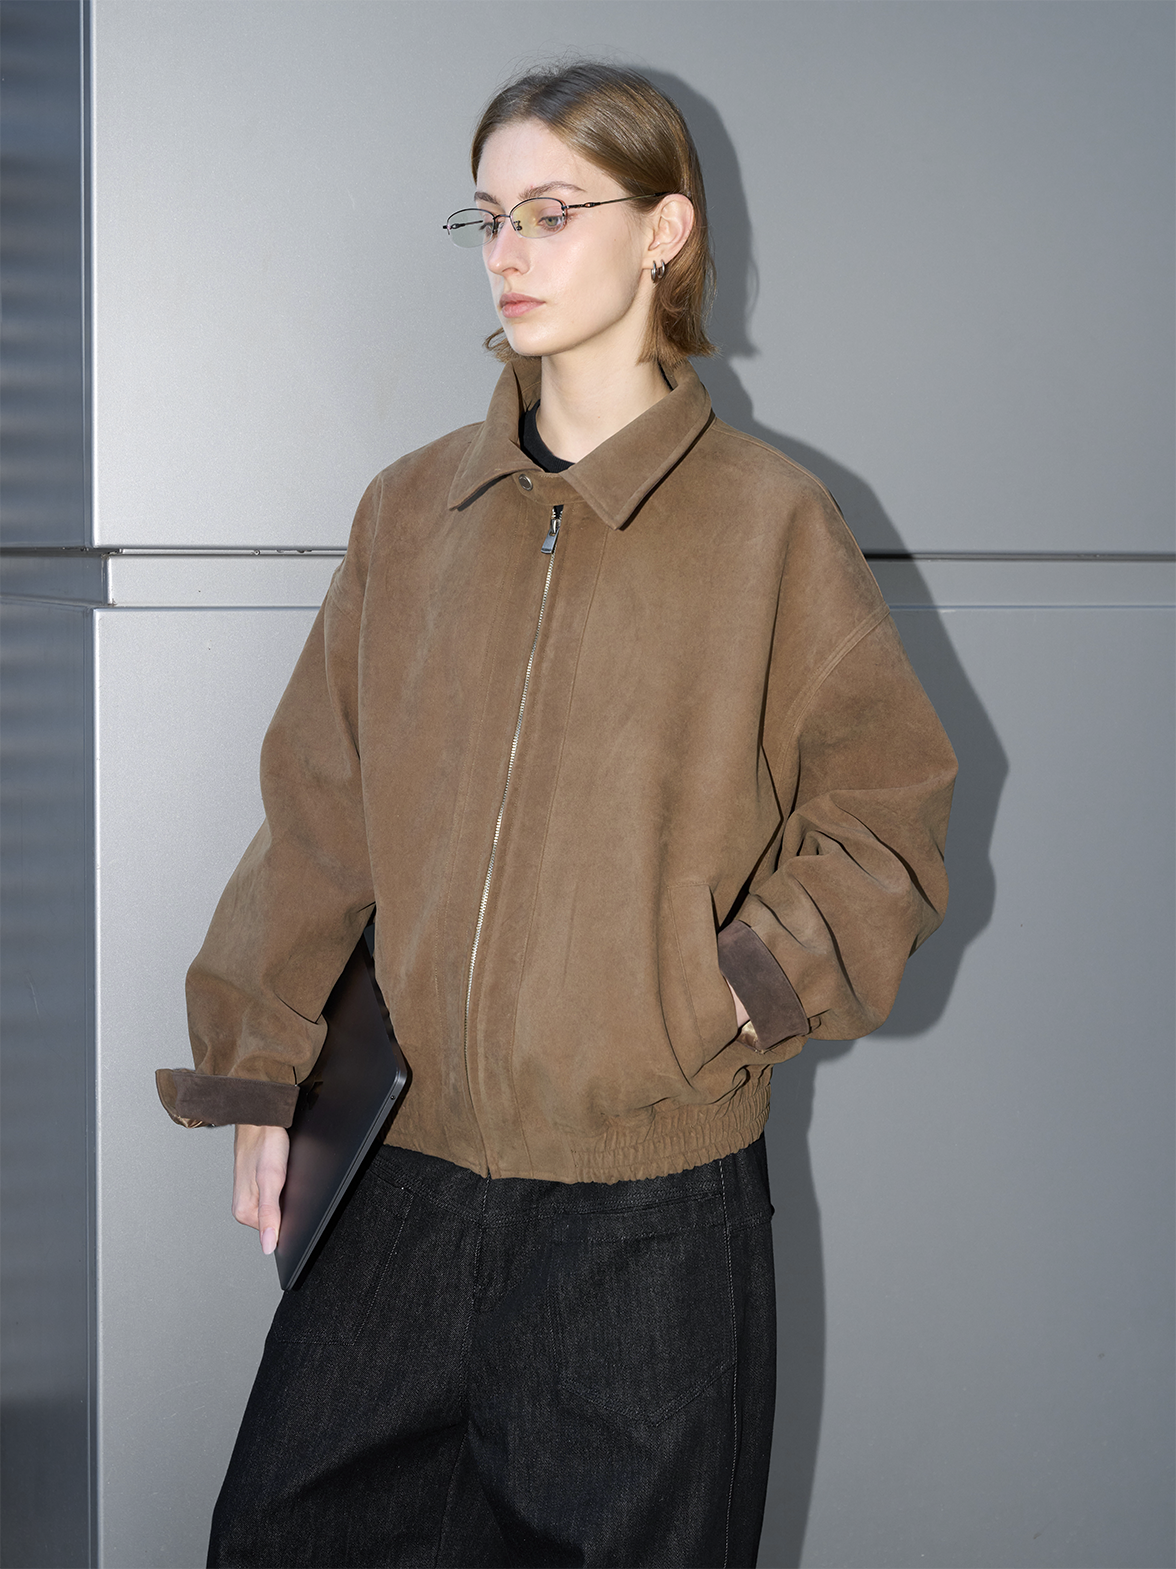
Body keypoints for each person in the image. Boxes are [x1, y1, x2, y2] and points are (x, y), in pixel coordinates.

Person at [157, 61, 956, 1569]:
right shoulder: (412, 512)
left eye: (552, 211)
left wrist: (725, 995)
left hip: (645, 1217)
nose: (507, 253)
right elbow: (317, 812)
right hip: (403, 1185)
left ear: (665, 232)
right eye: (489, 217)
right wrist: (259, 1069)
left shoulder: (771, 524)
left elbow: (888, 811)